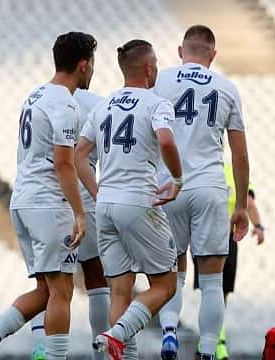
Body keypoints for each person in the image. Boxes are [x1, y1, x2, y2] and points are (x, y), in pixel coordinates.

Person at [0, 31, 96, 360]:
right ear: (83, 65)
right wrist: (80, 213)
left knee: (46, 289)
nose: (93, 70)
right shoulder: (65, 105)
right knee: (63, 292)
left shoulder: (34, 96)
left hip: (23, 200)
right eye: (92, 63)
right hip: (48, 205)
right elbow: (64, 164)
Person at [75, 39, 183, 359]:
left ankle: (119, 346)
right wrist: (177, 179)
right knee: (165, 285)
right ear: (149, 68)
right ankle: (117, 334)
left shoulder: (102, 105)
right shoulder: (156, 103)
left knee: (119, 290)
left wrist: (97, 194)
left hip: (106, 205)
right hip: (138, 201)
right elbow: (165, 140)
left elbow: (79, 155)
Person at [153, 25, 250, 360]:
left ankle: (168, 335)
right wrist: (241, 207)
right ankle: (208, 351)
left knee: (171, 274)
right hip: (209, 188)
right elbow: (239, 153)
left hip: (169, 188)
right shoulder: (227, 88)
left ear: (181, 52)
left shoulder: (160, 81)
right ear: (214, 54)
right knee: (212, 281)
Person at [27, 90, 110, 360]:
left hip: (42, 195)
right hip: (81, 195)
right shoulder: (97, 104)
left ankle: (41, 347)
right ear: (85, 64)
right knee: (96, 275)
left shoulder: (36, 98)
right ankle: (101, 353)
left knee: (46, 283)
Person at [191, 162, 264, 359]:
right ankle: (216, 343)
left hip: (215, 235)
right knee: (216, 292)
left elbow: (248, 202)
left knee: (214, 291)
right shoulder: (222, 168)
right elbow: (247, 202)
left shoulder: (219, 168)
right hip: (215, 235)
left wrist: (258, 225)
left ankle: (207, 341)